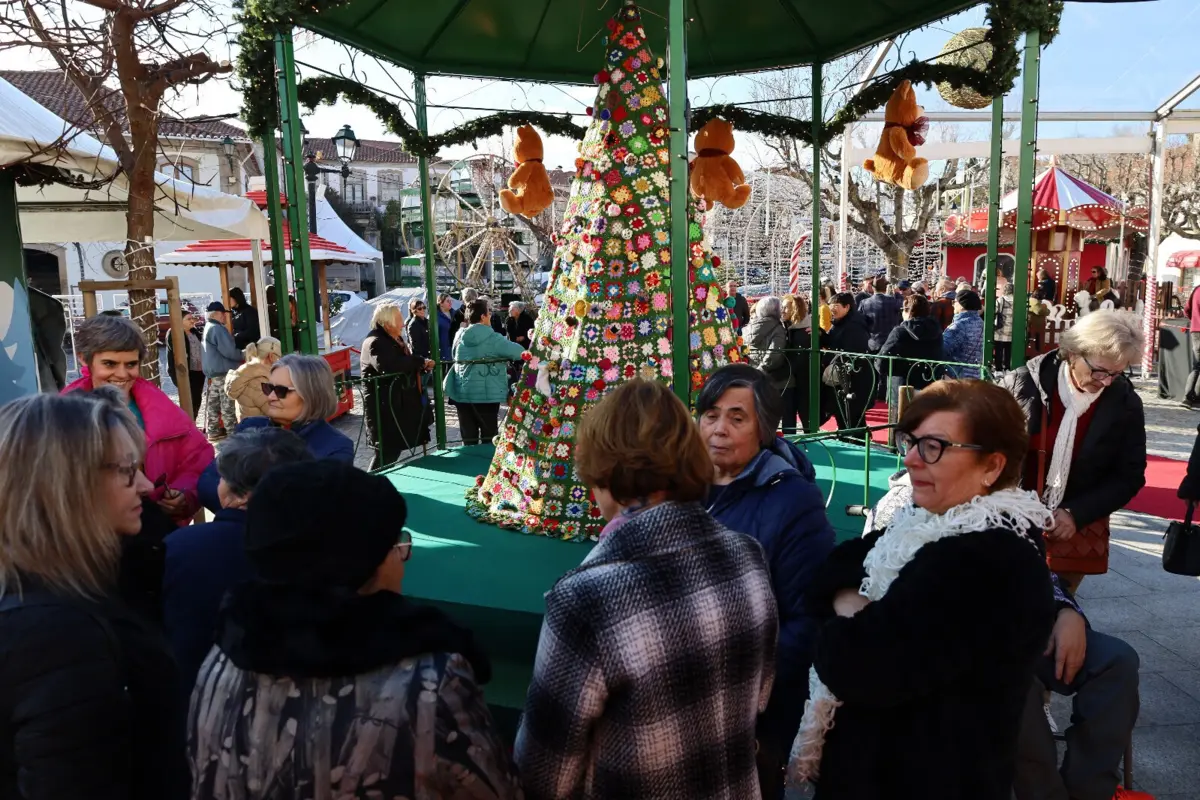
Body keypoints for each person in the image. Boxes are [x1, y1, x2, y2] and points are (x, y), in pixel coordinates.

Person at [787, 379, 1057, 799]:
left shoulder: (983, 555)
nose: (911, 459)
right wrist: (853, 605)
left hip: (923, 779)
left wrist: (848, 616)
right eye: (910, 441)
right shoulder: (924, 525)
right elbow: (830, 570)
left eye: (934, 446)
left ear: (992, 466)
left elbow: (859, 666)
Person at [189, 459, 520, 799]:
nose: (402, 560)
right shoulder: (430, 685)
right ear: (364, 564)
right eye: (395, 546)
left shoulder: (221, 661)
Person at [516, 379, 777, 799]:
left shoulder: (586, 599)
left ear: (605, 466)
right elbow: (759, 694)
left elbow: (543, 776)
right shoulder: (746, 555)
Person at [861, 467, 1147, 800]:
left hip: (1020, 628)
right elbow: (873, 582)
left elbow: (1036, 572)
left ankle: (1089, 790)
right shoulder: (900, 505)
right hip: (950, 650)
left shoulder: (1005, 506)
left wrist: (1067, 611)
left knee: (1117, 661)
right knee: (1009, 680)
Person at [0, 390, 189, 799]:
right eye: (126, 470)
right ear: (65, 485)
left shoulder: (53, 593)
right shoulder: (55, 631)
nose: (143, 485)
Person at [695, 364, 836, 799]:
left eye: (737, 419)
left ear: (765, 429)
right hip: (685, 698)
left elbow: (806, 618)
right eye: (711, 414)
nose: (719, 429)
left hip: (750, 712)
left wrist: (744, 692)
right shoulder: (681, 484)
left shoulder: (793, 500)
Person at [1000, 310, 1146, 594]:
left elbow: (1129, 476)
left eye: (1116, 374)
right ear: (1072, 353)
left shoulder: (1125, 402)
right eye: (1099, 371)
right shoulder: (1022, 384)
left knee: (1056, 606)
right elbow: (984, 453)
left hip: (1072, 530)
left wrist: (1075, 513)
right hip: (1010, 520)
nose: (1105, 382)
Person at [163, 427, 309, 697]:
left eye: (221, 477)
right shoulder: (320, 549)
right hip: (291, 707)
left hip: (198, 703)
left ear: (241, 494)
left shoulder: (180, 548)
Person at [64, 314, 213, 526]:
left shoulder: (160, 407)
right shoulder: (62, 413)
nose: (122, 374)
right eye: (110, 363)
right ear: (83, 358)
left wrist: (184, 493)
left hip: (153, 531)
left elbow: (198, 458)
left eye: (131, 364)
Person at [196, 353, 354, 512]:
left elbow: (308, 509)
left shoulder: (336, 446)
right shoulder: (250, 427)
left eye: (281, 391)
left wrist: (239, 499)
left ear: (311, 394)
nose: (270, 397)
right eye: (268, 388)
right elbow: (206, 485)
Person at [445, 299, 528, 446]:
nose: (490, 315)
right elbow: (519, 352)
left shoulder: (459, 335)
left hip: (462, 393)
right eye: (489, 312)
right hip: (486, 395)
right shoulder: (493, 338)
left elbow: (454, 355)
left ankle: (467, 466)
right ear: (483, 317)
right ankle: (484, 468)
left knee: (468, 439)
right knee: (489, 438)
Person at [361, 302, 434, 469]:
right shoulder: (375, 341)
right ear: (387, 323)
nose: (402, 324)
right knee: (386, 452)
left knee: (391, 451)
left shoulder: (395, 339)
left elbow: (402, 366)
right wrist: (418, 361)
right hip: (383, 407)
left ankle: (376, 485)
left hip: (396, 404)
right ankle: (371, 486)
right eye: (399, 320)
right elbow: (388, 366)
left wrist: (420, 367)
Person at [823, 291, 873, 430]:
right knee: (844, 414)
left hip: (853, 378)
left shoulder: (855, 326)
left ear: (847, 307)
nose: (832, 309)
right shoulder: (839, 323)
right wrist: (820, 334)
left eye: (836, 305)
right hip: (844, 377)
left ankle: (857, 442)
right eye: (831, 305)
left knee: (852, 415)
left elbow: (853, 350)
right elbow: (832, 341)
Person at [879, 293, 946, 396]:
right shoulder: (936, 330)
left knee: (901, 412)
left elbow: (881, 363)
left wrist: (898, 368)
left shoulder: (899, 332)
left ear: (907, 311)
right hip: (930, 386)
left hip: (903, 387)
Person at [201, 301, 243, 440]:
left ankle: (213, 431)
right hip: (223, 372)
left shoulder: (208, 326)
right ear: (218, 314)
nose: (225, 317)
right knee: (227, 405)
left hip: (213, 373)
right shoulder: (217, 329)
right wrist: (245, 354)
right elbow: (229, 351)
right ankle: (232, 433)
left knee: (214, 404)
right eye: (224, 314)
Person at [225, 335, 282, 421]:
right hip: (262, 432)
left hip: (250, 431)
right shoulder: (260, 382)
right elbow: (277, 414)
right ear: (271, 356)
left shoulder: (246, 374)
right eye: (278, 357)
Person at [744, 295, 790, 400]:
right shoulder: (777, 328)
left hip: (753, 374)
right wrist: (762, 368)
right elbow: (774, 353)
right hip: (773, 378)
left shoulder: (749, 327)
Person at [166, 308, 205, 418]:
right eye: (189, 319)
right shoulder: (174, 333)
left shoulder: (195, 332)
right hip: (185, 373)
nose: (192, 321)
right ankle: (187, 424)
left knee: (197, 399)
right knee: (188, 401)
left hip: (199, 372)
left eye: (192, 318)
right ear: (180, 321)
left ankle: (193, 423)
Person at [781, 293, 812, 434]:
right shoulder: (787, 326)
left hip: (803, 376)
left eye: (786, 308)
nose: (783, 311)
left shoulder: (805, 329)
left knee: (805, 410)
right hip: (792, 376)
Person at [943, 289, 985, 378]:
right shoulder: (981, 322)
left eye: (954, 302)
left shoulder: (958, 326)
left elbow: (942, 350)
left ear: (962, 305)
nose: (953, 305)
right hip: (977, 375)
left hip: (958, 378)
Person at [859, 277, 902, 354]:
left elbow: (861, 322)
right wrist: (897, 293)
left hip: (873, 343)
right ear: (886, 288)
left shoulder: (864, 303)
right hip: (891, 343)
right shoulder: (893, 301)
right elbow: (902, 305)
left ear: (873, 287)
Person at [1182, 281, 1200, 408]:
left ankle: (1188, 397)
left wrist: (1194, 320)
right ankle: (1195, 397)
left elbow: (1187, 309)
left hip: (1195, 331)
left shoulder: (1196, 290)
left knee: (1197, 365)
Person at [228, 286, 261, 350]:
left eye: (229, 298)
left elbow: (252, 330)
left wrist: (237, 335)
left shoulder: (249, 311)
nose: (228, 301)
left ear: (236, 298)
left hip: (249, 347)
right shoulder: (232, 312)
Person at [995, 281, 1016, 371]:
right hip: (1012, 329)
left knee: (999, 350)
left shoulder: (1000, 300)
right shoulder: (1017, 301)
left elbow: (995, 312)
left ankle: (998, 368)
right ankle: (1007, 367)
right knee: (1009, 350)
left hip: (1001, 329)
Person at [407, 295, 431, 359]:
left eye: (424, 307)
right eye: (419, 308)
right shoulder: (413, 324)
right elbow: (416, 346)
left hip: (429, 356)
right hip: (422, 358)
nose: (422, 310)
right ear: (413, 310)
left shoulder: (426, 321)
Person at [436, 292, 456, 362]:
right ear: (441, 303)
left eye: (451, 301)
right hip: (443, 351)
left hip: (455, 348)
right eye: (448, 301)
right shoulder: (435, 317)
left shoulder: (455, 314)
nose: (450, 303)